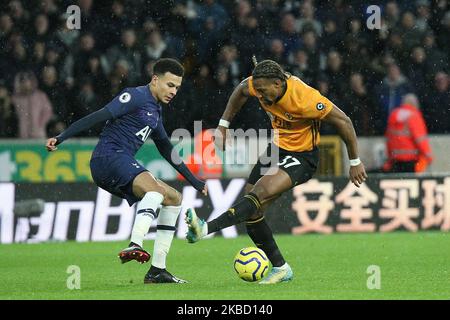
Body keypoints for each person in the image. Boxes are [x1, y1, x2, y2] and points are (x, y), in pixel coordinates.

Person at [185, 59, 367, 284]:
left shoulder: (305, 98)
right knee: (252, 210)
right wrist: (223, 126)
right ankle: (281, 268)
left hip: (302, 157)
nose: (258, 95)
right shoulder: (259, 85)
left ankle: (204, 229)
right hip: (276, 148)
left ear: (278, 84)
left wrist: (355, 161)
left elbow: (344, 121)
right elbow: (242, 89)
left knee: (259, 193)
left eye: (262, 90)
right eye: (257, 90)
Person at [46, 58, 207, 284]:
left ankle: (157, 271)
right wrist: (61, 137)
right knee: (156, 192)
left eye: (177, 88)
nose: (174, 91)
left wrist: (194, 181)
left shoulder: (155, 111)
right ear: (155, 80)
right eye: (170, 85)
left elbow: (167, 150)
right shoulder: (136, 96)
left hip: (118, 163)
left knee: (173, 198)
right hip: (108, 157)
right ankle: (135, 243)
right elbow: (98, 115)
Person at [382, 93, 433, 173]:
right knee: (409, 182)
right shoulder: (414, 115)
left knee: (398, 183)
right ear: (414, 103)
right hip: (410, 161)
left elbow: (388, 138)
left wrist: (389, 158)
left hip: (395, 160)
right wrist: (428, 156)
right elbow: (420, 139)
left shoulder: (393, 114)